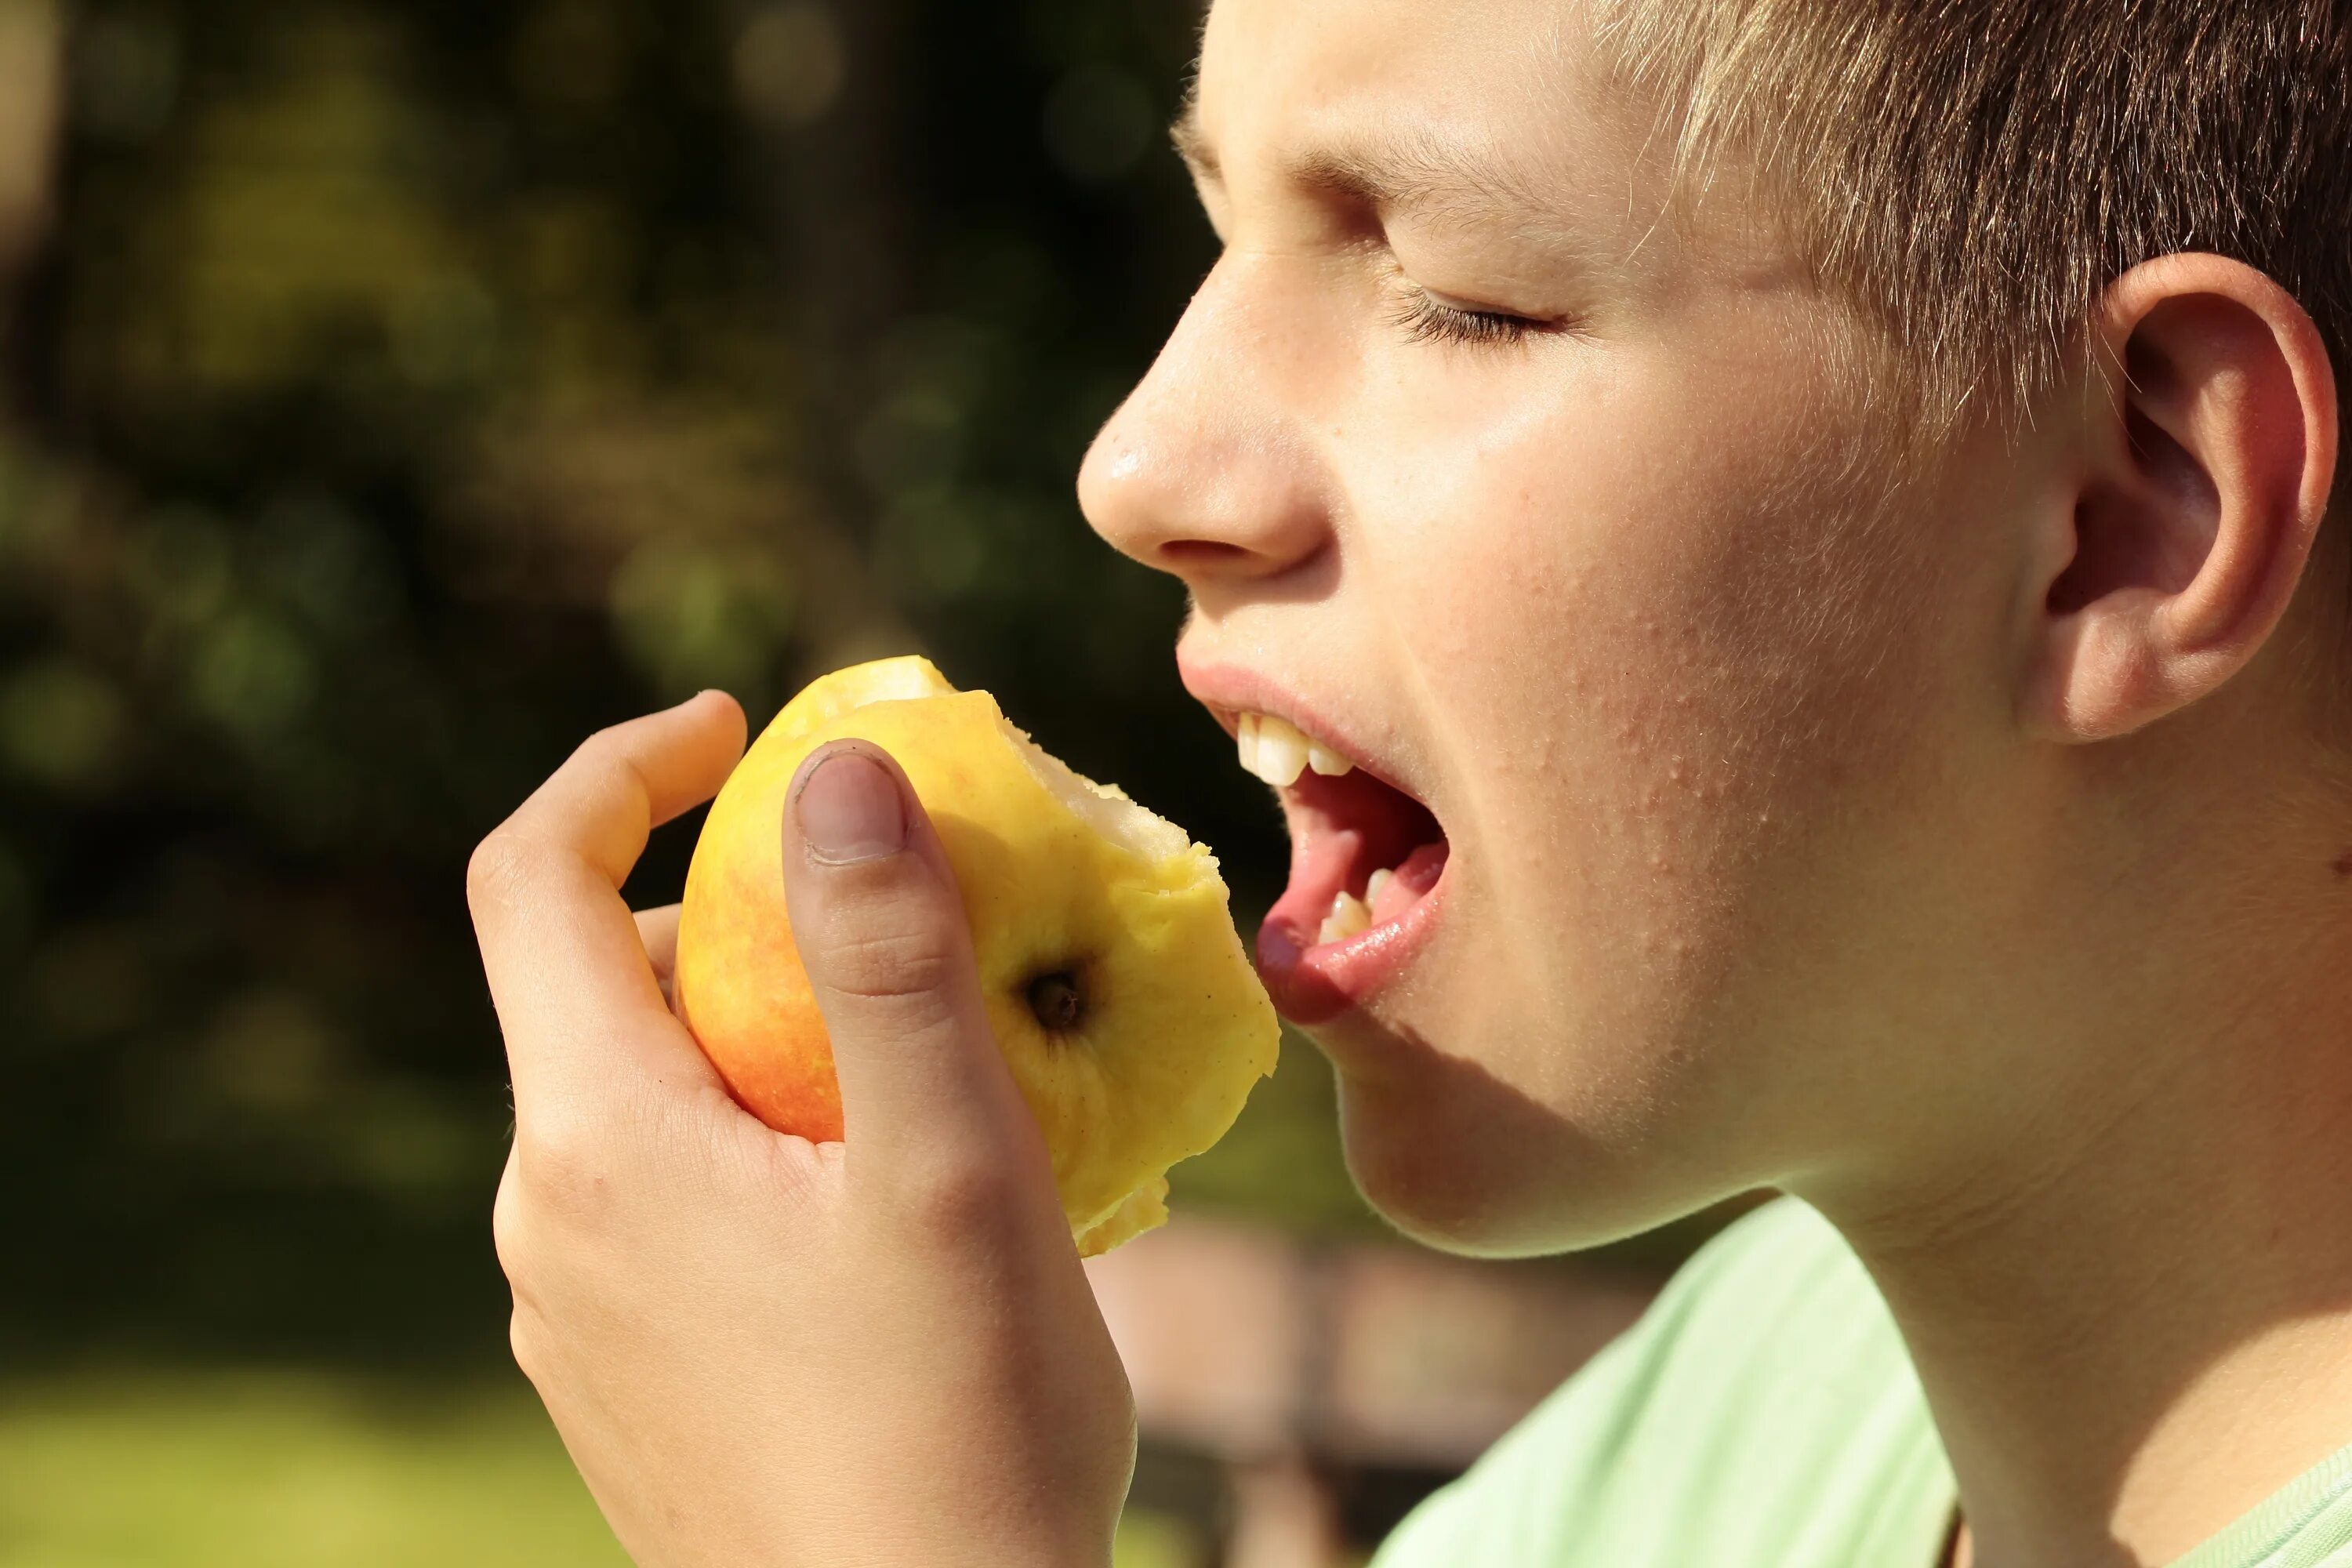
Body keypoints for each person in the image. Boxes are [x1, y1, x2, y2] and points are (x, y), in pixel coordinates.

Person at [464, 0, 2352, 1563]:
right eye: (1219, 229)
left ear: (2122, 516)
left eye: (1455, 290)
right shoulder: (1748, 1422)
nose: (1139, 467)